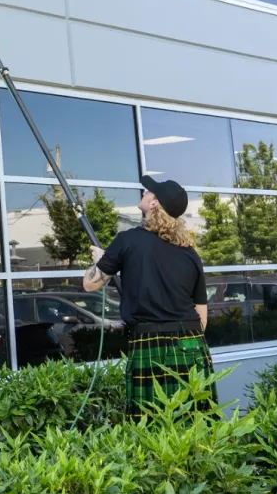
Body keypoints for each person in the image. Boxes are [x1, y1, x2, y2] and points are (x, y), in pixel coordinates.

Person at [83, 175, 213, 412]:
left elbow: (90, 285)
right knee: (197, 425)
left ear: (154, 204)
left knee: (150, 429)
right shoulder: (190, 253)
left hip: (148, 345)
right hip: (193, 346)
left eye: (148, 192)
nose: (144, 193)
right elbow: (202, 319)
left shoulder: (127, 241)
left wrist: (101, 263)